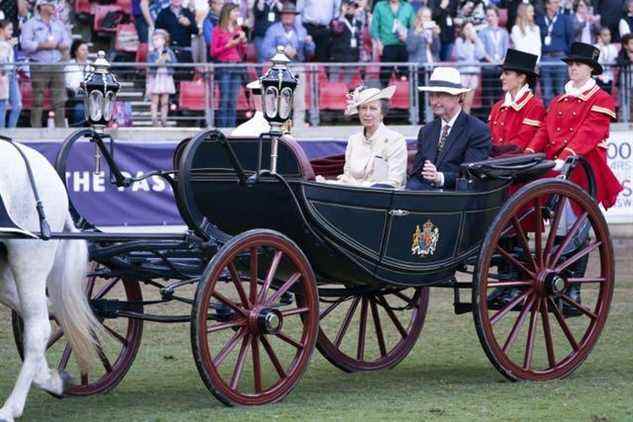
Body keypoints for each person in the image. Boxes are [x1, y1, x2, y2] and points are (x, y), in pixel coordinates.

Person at [407, 66, 491, 190]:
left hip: (455, 200)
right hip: (423, 197)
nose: (435, 101)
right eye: (432, 96)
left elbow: (472, 175)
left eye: (441, 95)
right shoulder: (426, 130)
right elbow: (416, 173)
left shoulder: (477, 130)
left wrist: (440, 178)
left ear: (459, 97)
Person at [316, 85, 408, 188]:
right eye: (363, 108)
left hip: (384, 198)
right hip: (352, 194)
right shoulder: (353, 140)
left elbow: (395, 182)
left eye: (373, 108)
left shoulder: (395, 140)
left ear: (382, 113)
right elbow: (347, 177)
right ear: (358, 112)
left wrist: (360, 186)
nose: (367, 113)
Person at [262, 2, 315, 128]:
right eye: (286, 14)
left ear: (294, 16)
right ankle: (277, 125)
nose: (288, 17)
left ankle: (299, 125)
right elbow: (265, 50)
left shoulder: (301, 30)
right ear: (281, 16)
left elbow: (311, 51)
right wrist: (282, 51)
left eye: (291, 14)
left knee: (299, 99)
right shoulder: (273, 29)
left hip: (297, 67)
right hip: (278, 69)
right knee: (279, 99)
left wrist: (309, 43)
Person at [20, 0, 71, 128]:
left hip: (57, 63)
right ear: (41, 6)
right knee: (38, 99)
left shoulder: (59, 23)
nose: (54, 7)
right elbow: (25, 44)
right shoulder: (30, 24)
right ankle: (35, 129)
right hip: (39, 64)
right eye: (51, 4)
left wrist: (61, 45)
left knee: (59, 100)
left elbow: (67, 41)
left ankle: (60, 130)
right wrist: (42, 45)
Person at [488, 49, 545, 155]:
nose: (501, 77)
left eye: (507, 73)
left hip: (518, 167)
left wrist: (493, 155)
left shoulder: (535, 106)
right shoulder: (497, 106)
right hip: (493, 164)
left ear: (521, 78)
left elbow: (521, 143)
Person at [211, 3, 246, 128]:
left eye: (237, 11)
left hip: (236, 65)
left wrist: (243, 42)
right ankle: (222, 128)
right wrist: (228, 45)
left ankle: (231, 128)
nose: (237, 14)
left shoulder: (238, 29)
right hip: (224, 66)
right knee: (224, 98)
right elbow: (213, 52)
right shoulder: (217, 30)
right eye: (234, 11)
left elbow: (242, 52)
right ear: (227, 13)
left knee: (233, 100)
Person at [536, 0, 574, 106]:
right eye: (554, 2)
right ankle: (549, 119)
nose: (557, 5)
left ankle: (561, 118)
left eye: (558, 3)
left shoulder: (564, 19)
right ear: (547, 4)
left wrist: (568, 57)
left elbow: (570, 38)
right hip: (545, 58)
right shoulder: (539, 20)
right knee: (546, 93)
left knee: (561, 91)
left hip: (560, 58)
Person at [370, 0, 416, 88]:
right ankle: (384, 98)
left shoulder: (408, 7)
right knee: (385, 75)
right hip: (386, 46)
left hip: (404, 46)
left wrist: (407, 37)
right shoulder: (379, 6)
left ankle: (406, 98)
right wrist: (378, 43)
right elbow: (374, 28)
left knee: (405, 75)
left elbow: (413, 28)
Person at [406, 6, 440, 123]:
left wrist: (435, 36)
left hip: (431, 67)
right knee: (418, 95)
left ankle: (432, 119)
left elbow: (436, 50)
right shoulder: (412, 31)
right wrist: (416, 33)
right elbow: (410, 48)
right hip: (418, 67)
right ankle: (418, 120)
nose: (427, 19)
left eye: (429, 17)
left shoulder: (432, 32)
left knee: (433, 95)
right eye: (424, 16)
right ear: (419, 18)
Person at [479, 7, 509, 115]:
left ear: (497, 17)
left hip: (500, 67)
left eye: (492, 15)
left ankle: (498, 117)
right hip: (488, 67)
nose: (490, 18)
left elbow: (507, 49)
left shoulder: (504, 32)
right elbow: (481, 50)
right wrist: (490, 60)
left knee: (498, 94)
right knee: (487, 95)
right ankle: (487, 118)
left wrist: (502, 60)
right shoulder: (483, 32)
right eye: (488, 16)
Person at [147, 29, 177, 127]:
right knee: (155, 100)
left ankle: (164, 120)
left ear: (163, 40)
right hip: (156, 77)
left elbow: (175, 63)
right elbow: (150, 65)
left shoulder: (169, 52)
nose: (155, 42)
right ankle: (154, 120)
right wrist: (158, 61)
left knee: (165, 101)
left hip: (166, 76)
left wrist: (168, 61)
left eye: (157, 39)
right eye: (154, 40)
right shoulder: (151, 54)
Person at [453, 21, 486, 113]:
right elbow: (462, 54)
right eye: (467, 29)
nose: (469, 31)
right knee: (460, 101)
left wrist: (476, 41)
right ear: (463, 31)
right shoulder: (459, 41)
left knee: (468, 102)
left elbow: (481, 54)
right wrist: (468, 42)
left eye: (471, 29)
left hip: (474, 73)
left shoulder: (476, 40)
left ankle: (466, 120)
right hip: (463, 73)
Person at [329, 0, 363, 85]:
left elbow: (360, 42)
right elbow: (337, 30)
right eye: (348, 6)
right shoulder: (335, 21)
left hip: (352, 58)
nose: (351, 8)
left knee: (346, 86)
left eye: (353, 6)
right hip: (337, 57)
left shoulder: (358, 23)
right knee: (333, 84)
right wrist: (342, 14)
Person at [0, 19, 21, 128]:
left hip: (11, 76)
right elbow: (2, 61)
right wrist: (8, 46)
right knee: (1, 106)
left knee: (17, 105)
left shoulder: (8, 44)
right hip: (3, 77)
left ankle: (11, 131)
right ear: (1, 30)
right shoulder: (5, 44)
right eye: (9, 29)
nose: (11, 32)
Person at [64, 40, 90, 127]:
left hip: (90, 97)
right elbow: (69, 85)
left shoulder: (91, 66)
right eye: (83, 50)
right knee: (80, 110)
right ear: (75, 52)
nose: (86, 52)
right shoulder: (70, 66)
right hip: (75, 98)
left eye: (86, 50)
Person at [595, 27, 618, 94]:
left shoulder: (613, 48)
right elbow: (596, 61)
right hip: (597, 78)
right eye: (605, 35)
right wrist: (600, 48)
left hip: (609, 77)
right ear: (599, 36)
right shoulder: (595, 47)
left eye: (609, 35)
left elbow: (614, 62)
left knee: (607, 98)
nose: (608, 37)